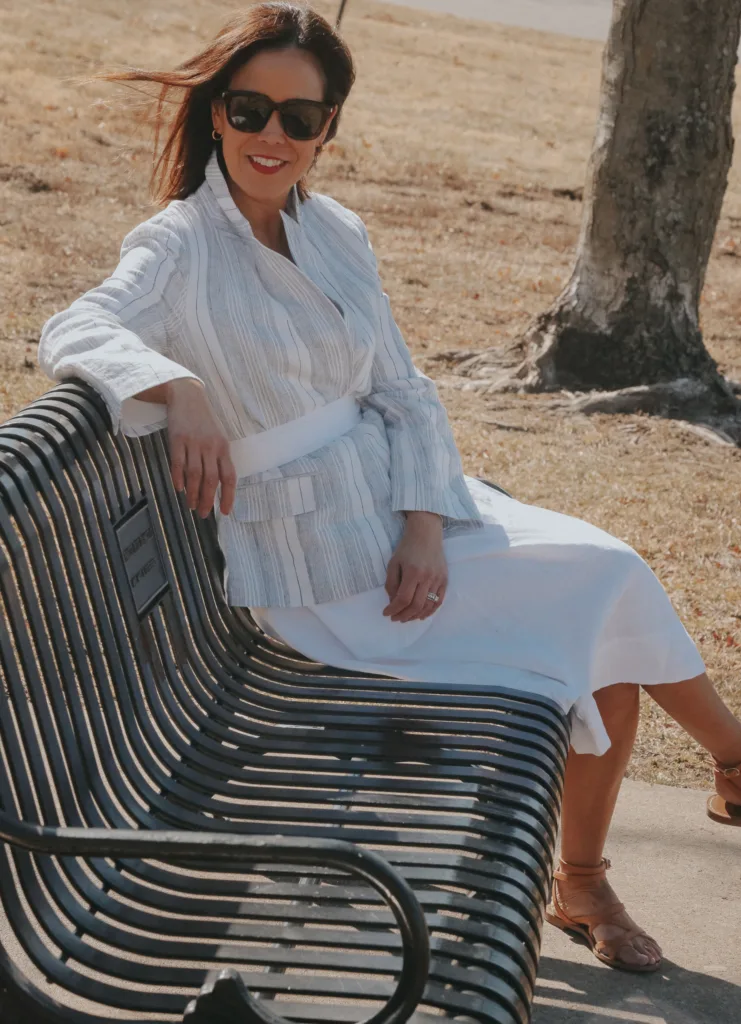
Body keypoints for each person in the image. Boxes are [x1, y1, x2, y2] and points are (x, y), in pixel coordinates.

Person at [38, 1, 741, 975]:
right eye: (249, 110)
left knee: (602, 586)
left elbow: (402, 390)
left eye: (299, 117)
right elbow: (76, 326)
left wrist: (423, 524)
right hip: (317, 577)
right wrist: (177, 386)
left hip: (401, 523)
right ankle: (681, 801)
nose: (272, 135)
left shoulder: (334, 229)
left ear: (327, 128)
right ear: (217, 114)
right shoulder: (178, 243)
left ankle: (598, 868)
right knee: (600, 589)